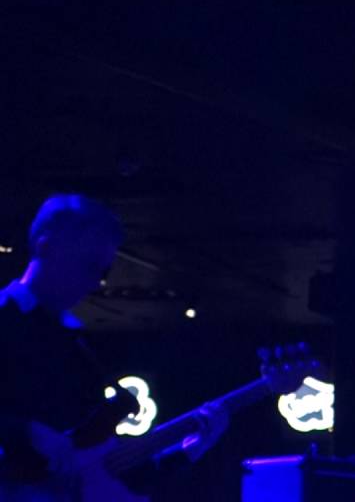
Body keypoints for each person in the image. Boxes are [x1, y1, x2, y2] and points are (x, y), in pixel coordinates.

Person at [0, 194, 226, 500]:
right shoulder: (6, 318)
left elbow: (101, 470)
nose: (95, 282)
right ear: (46, 246)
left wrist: (188, 452)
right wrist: (26, 432)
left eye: (101, 271)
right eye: (88, 265)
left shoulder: (76, 343)